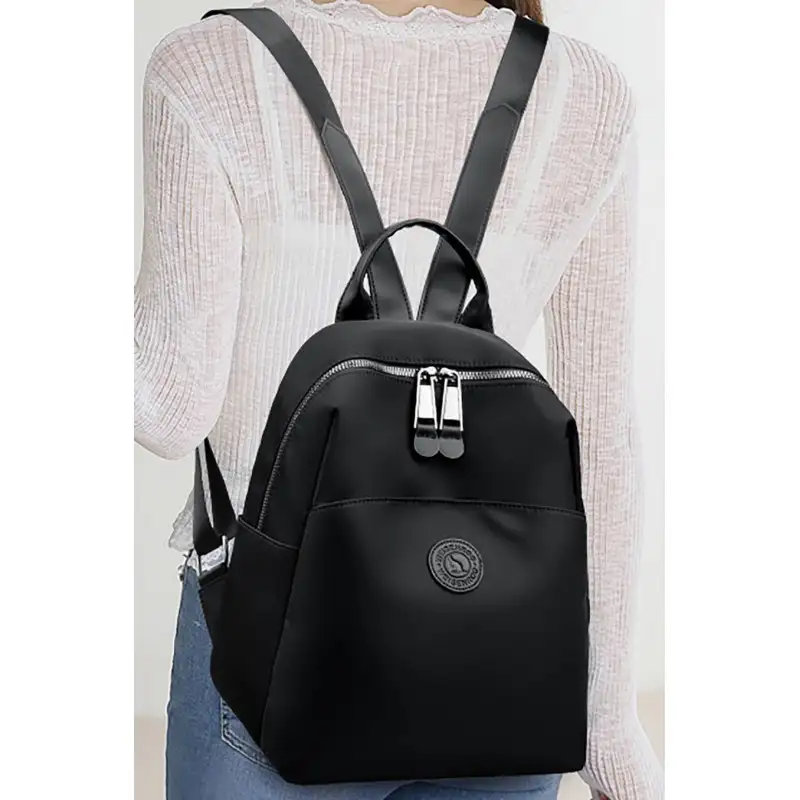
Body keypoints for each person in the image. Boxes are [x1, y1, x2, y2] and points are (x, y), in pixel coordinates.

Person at [134, 0, 664, 798]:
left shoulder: (212, 67)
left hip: (275, 658)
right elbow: (603, 438)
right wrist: (609, 721)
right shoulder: (584, 91)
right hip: (504, 659)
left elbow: (170, 404)